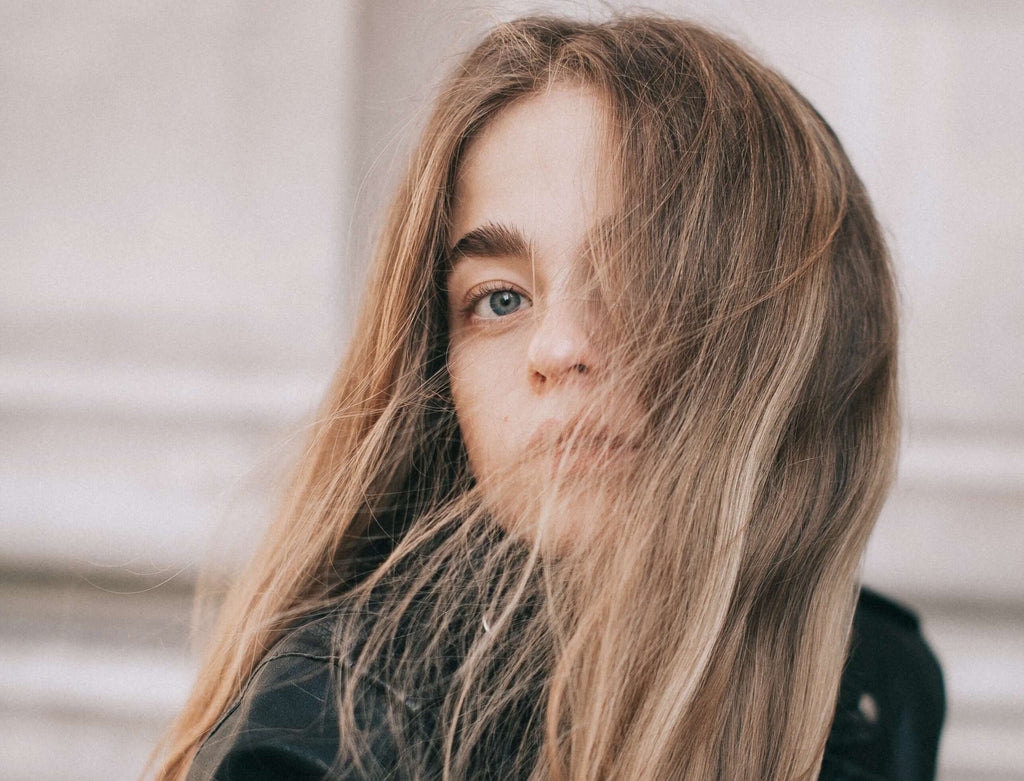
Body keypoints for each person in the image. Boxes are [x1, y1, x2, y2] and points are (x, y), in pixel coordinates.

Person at [152, 14, 944, 780]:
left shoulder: (876, 684)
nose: (557, 347)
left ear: (794, 338)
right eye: (499, 299)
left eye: (638, 277)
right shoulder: (331, 731)